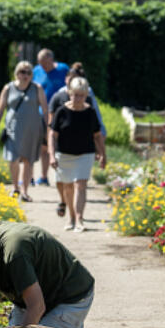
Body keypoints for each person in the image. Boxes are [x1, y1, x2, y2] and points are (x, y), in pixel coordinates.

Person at [46, 62, 105, 218]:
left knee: (80, 184)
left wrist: (101, 153)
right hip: (64, 151)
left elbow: (97, 133)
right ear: (69, 92)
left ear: (86, 95)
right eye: (74, 94)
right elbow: (52, 131)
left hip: (85, 152)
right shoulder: (59, 102)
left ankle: (79, 218)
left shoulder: (90, 110)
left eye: (81, 95)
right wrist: (51, 154)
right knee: (66, 186)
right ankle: (67, 208)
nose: (77, 98)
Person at [0, 61, 48, 202]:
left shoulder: (37, 88)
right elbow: (0, 110)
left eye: (28, 72)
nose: (25, 75)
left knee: (28, 160)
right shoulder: (8, 88)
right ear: (17, 73)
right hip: (12, 129)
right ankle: (15, 187)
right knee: (13, 158)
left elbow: (45, 110)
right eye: (23, 72)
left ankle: (25, 191)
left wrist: (48, 129)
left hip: (32, 130)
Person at [32, 49, 68, 185]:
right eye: (40, 63)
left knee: (61, 145)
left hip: (61, 114)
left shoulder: (63, 69)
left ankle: (64, 177)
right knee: (43, 147)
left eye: (45, 63)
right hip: (41, 114)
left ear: (51, 59)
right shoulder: (36, 70)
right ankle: (43, 176)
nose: (43, 67)